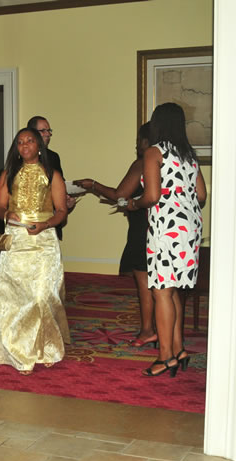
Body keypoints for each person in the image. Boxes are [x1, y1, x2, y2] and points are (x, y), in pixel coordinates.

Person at [126, 103, 207, 377]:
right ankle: (178, 348)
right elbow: (201, 195)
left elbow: (151, 196)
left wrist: (134, 204)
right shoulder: (189, 155)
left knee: (161, 291)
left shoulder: (154, 152)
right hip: (190, 228)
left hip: (166, 228)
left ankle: (165, 356)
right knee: (173, 291)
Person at [0, 127, 71, 375]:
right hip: (17, 239)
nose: (24, 145)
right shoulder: (8, 174)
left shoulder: (51, 174)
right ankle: (19, 350)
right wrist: (7, 214)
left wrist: (46, 224)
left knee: (41, 297)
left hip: (43, 240)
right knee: (16, 298)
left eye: (30, 141)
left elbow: (61, 211)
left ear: (39, 146)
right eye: (20, 142)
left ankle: (46, 348)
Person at [78, 122, 157, 347]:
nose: (136, 145)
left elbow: (119, 194)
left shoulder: (143, 163)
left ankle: (147, 330)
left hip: (143, 227)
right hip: (163, 227)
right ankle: (165, 330)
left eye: (138, 140)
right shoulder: (168, 162)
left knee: (144, 282)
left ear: (146, 141)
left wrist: (93, 184)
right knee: (164, 286)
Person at [26, 115, 76, 239]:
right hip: (27, 222)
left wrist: (66, 201)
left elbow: (59, 186)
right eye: (43, 130)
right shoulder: (22, 158)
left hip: (51, 222)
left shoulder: (53, 157)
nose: (48, 134)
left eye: (49, 130)